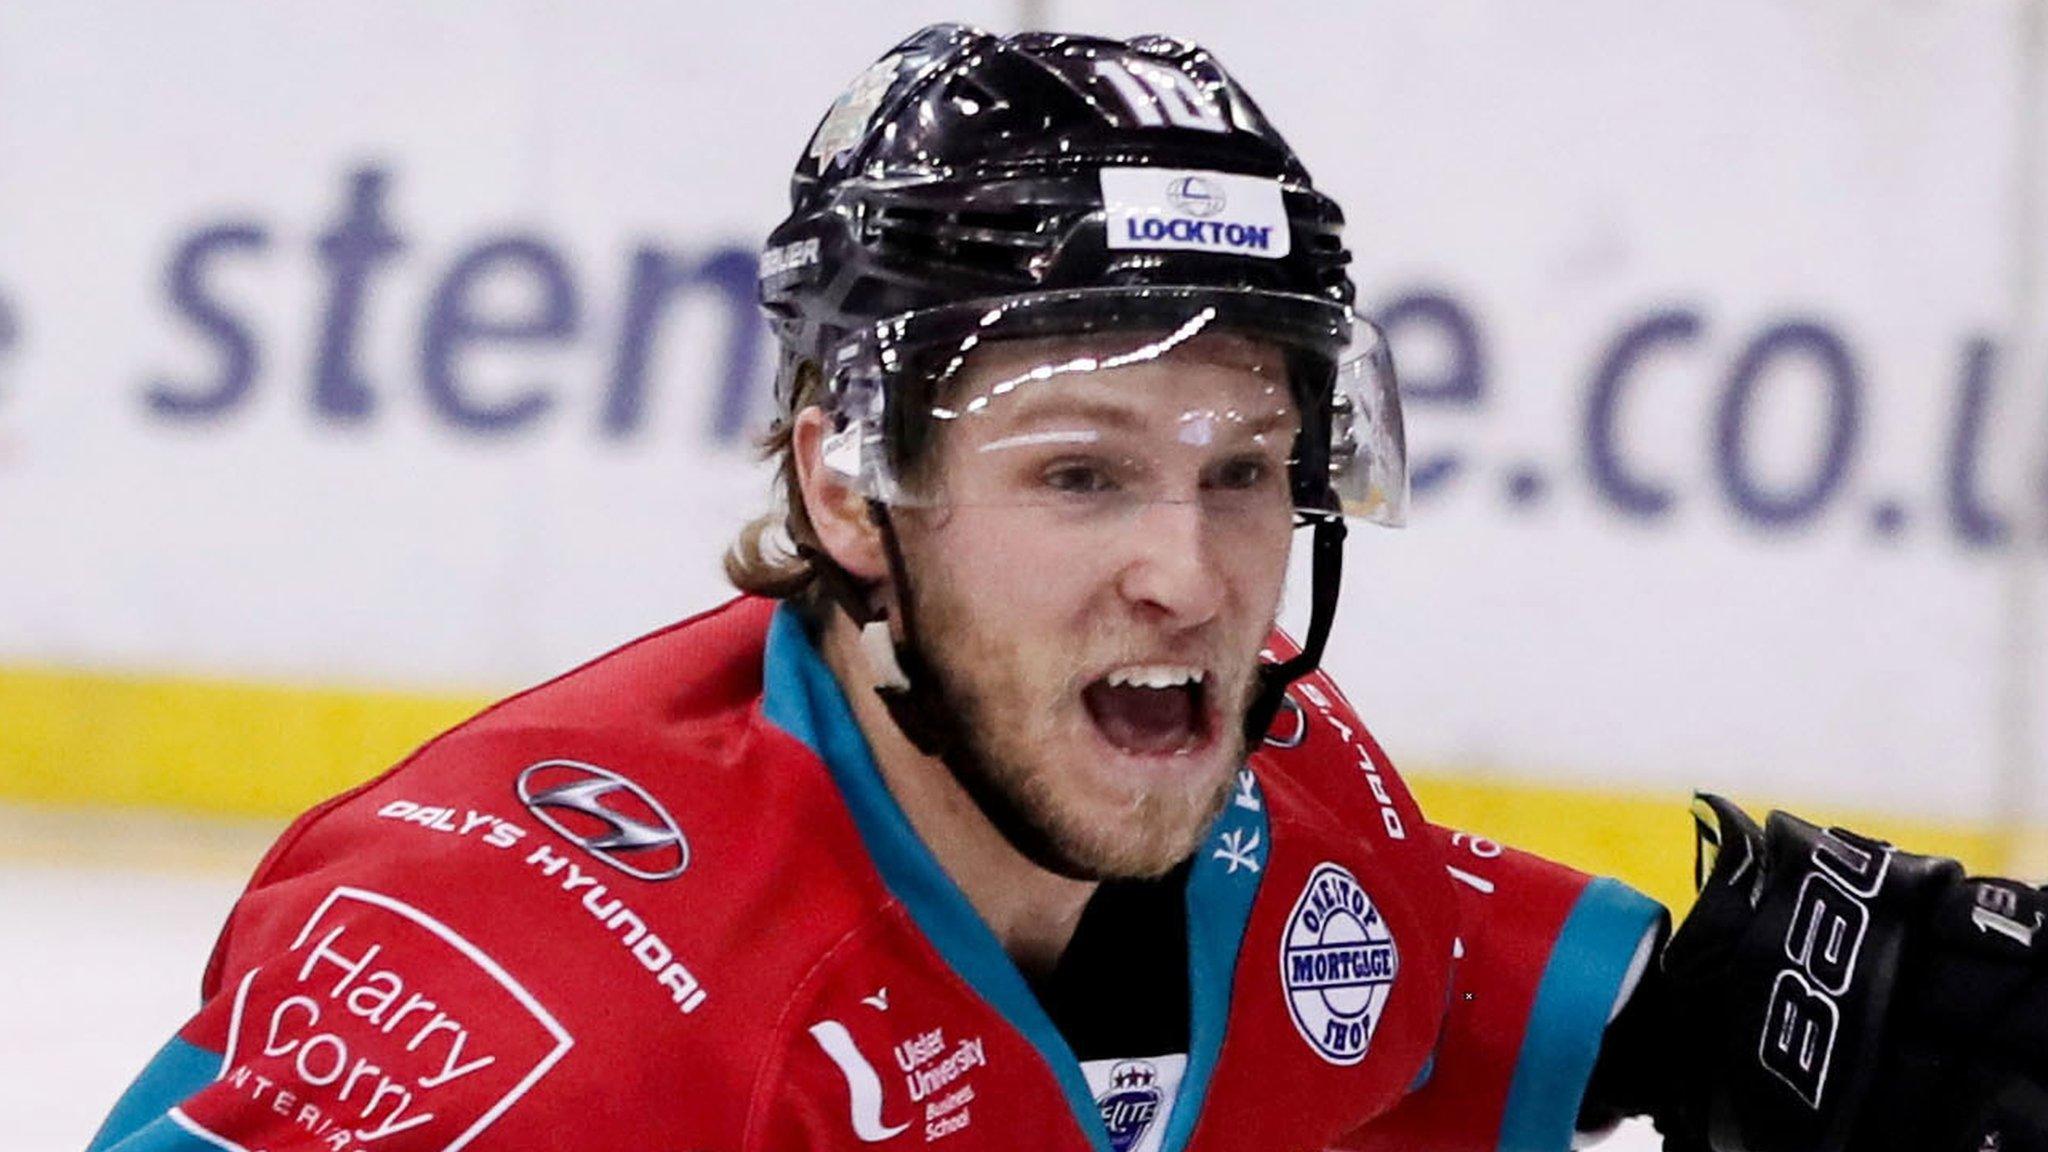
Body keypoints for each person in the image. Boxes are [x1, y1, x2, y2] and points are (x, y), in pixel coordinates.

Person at [90, 24, 2048, 1152]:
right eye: (1082, 474)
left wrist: (1756, 1009)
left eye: (1245, 474)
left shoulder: (1274, 838)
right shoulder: (591, 1010)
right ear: (854, 489)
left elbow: (1535, 1006)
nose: (1185, 577)